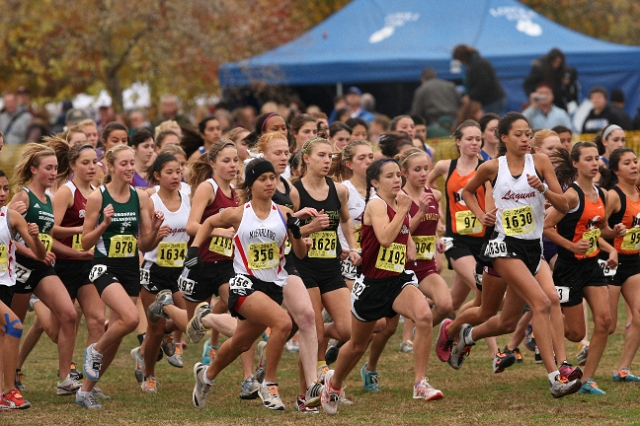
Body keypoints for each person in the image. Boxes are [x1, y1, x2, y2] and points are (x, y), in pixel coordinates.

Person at [458, 111, 583, 398]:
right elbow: (467, 192)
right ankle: (555, 376)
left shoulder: (539, 163)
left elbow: (563, 204)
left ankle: (458, 333)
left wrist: (544, 190)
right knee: (540, 303)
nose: (525, 138)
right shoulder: (492, 167)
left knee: (505, 316)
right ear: (503, 138)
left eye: (528, 133)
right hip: (503, 245)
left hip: (531, 247)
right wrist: (481, 215)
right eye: (518, 134)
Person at [321, 158, 443, 416]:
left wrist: (409, 235)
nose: (397, 180)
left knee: (424, 316)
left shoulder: (400, 204)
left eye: (398, 175)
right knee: (356, 345)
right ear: (375, 182)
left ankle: (420, 383)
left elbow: (404, 241)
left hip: (398, 279)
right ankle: (334, 384)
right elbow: (385, 239)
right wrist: (403, 212)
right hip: (373, 284)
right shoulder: (376, 205)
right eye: (389, 176)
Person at [190, 158, 307, 411]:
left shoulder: (284, 214)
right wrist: (193, 249)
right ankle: (270, 385)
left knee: (240, 343)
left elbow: (300, 253)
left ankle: (206, 375)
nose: (269, 183)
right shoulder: (239, 213)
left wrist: (297, 233)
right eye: (262, 179)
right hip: (244, 284)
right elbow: (209, 222)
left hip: (272, 287)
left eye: (272, 178)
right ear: (251, 184)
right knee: (283, 322)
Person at [78, 144, 165, 408]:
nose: (129, 169)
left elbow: (145, 245)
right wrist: (104, 224)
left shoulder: (140, 197)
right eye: (124, 164)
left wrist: (156, 231)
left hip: (130, 269)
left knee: (118, 331)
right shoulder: (98, 197)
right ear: (112, 166)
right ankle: (94, 350)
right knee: (131, 318)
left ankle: (85, 391)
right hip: (104, 267)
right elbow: (84, 242)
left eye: (131, 164)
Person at [544, 141, 624, 395]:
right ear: (576, 164)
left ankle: (587, 380)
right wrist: (571, 246)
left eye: (596, 158)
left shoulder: (602, 194)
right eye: (587, 159)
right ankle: (543, 326)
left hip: (591, 265)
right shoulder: (571, 195)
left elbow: (598, 229)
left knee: (605, 320)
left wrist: (614, 234)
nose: (594, 163)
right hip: (568, 268)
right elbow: (545, 227)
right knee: (576, 333)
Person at [8, 143, 80, 398]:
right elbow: (8, 237)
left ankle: (65, 378)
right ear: (33, 170)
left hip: (42, 267)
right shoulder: (23, 197)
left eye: (55, 169)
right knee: (12, 327)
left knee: (69, 314)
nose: (53, 173)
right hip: (19, 269)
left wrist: (76, 253)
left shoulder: (49, 199)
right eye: (48, 168)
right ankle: (10, 376)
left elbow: (48, 239)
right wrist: (30, 251)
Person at [293, 137, 359, 388]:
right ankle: (306, 393)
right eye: (321, 155)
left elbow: (345, 220)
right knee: (315, 335)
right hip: (304, 269)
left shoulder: (339, 190)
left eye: (330, 156)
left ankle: (320, 374)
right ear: (307, 159)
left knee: (348, 330)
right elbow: (289, 231)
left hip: (331, 268)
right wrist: (309, 228)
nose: (327, 160)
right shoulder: (295, 192)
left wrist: (351, 246)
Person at [136, 153, 190, 392]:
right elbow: (143, 243)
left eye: (178, 171)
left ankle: (147, 348)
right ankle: (148, 374)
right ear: (157, 175)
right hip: (154, 269)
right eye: (169, 172)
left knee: (191, 321)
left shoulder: (188, 197)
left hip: (180, 270)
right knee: (155, 329)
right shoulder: (150, 200)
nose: (175, 176)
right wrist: (156, 234)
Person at [0, 167, 46, 410]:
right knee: (15, 326)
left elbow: (39, 254)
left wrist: (35, 237)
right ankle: (9, 392)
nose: (2, 193)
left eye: (5, 188)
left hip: (7, 286)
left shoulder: (12, 217)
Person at [603, 148, 640, 382]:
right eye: (627, 163)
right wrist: (612, 231)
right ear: (616, 170)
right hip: (611, 262)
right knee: (607, 325)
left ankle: (622, 369)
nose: (634, 166)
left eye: (635, 161)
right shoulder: (613, 196)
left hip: (634, 262)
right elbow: (595, 226)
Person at [452, 45, 505, 115]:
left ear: (462, 57)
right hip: (490, 100)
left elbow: (484, 84)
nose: (460, 63)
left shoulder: (478, 64)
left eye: (459, 60)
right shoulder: (474, 64)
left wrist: (470, 96)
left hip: (492, 100)